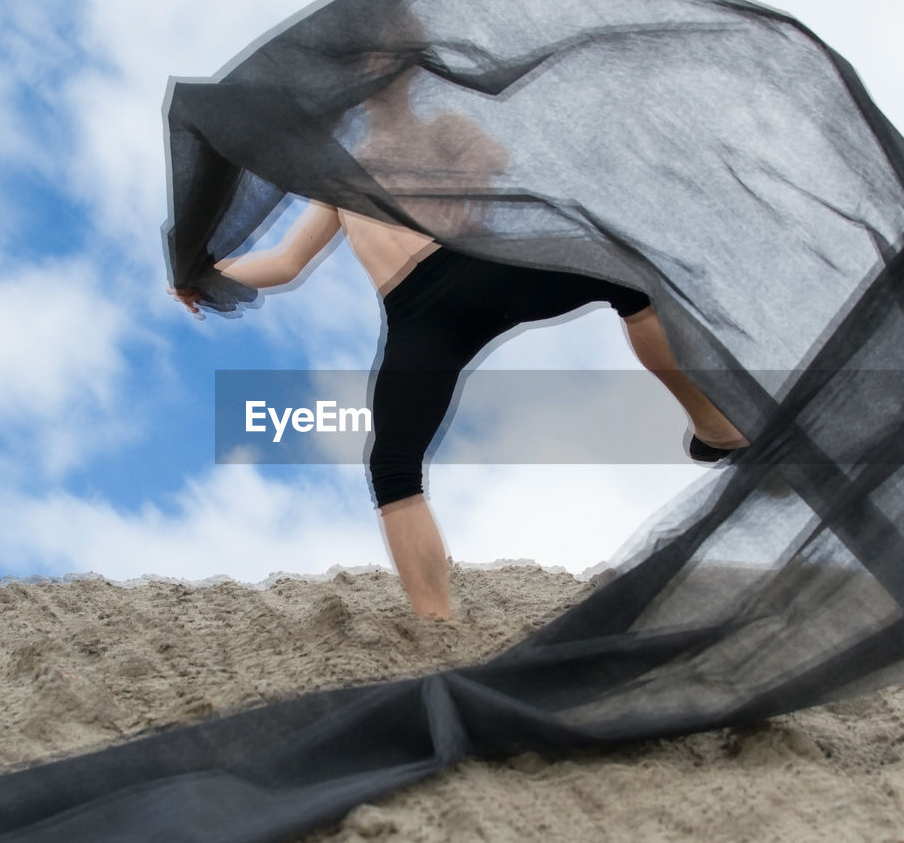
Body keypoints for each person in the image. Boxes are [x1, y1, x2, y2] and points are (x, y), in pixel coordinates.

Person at [172, 200, 747, 621]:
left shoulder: (434, 129)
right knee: (391, 464)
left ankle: (714, 426)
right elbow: (286, 261)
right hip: (418, 317)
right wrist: (206, 278)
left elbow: (494, 184)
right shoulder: (331, 180)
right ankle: (437, 625)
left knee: (631, 282)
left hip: (478, 269)